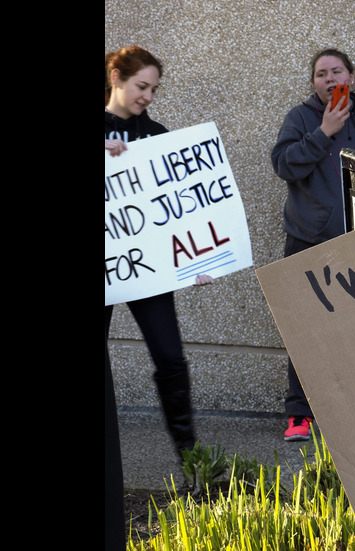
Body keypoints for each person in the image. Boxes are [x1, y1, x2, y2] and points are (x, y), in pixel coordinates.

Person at [271, 48, 355, 441]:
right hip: (309, 241)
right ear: (313, 83)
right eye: (321, 74)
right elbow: (283, 164)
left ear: (352, 75)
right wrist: (323, 132)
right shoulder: (301, 118)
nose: (329, 79)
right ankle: (300, 414)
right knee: (305, 330)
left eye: (337, 71)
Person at [105, 46, 212, 461]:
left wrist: (199, 260)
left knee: (170, 357)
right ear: (116, 76)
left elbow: (180, 210)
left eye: (153, 88)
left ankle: (192, 459)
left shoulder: (157, 136)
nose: (148, 96)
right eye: (141, 86)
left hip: (145, 267)